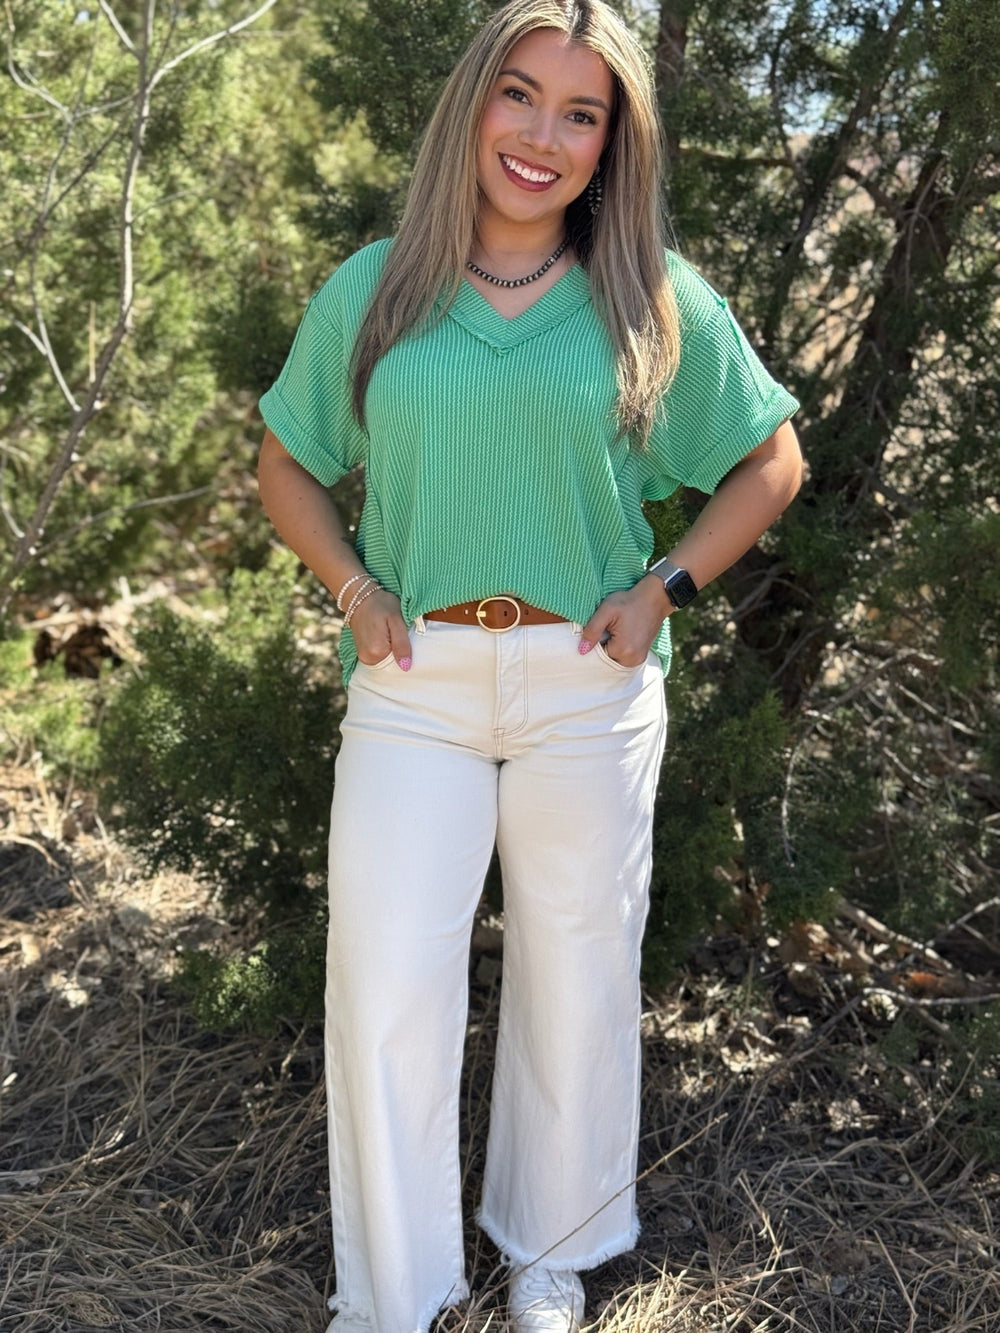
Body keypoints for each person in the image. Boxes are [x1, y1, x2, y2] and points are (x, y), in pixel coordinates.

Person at [257, 2, 802, 1330]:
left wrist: (662, 589)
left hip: (584, 687)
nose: (542, 135)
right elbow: (287, 464)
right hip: (415, 685)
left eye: (581, 112)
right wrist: (356, 590)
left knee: (577, 981)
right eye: (520, 94)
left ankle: (547, 1261)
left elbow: (771, 461)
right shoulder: (376, 288)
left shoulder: (648, 298)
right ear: (474, 104)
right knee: (386, 985)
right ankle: (391, 1299)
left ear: (613, 142)